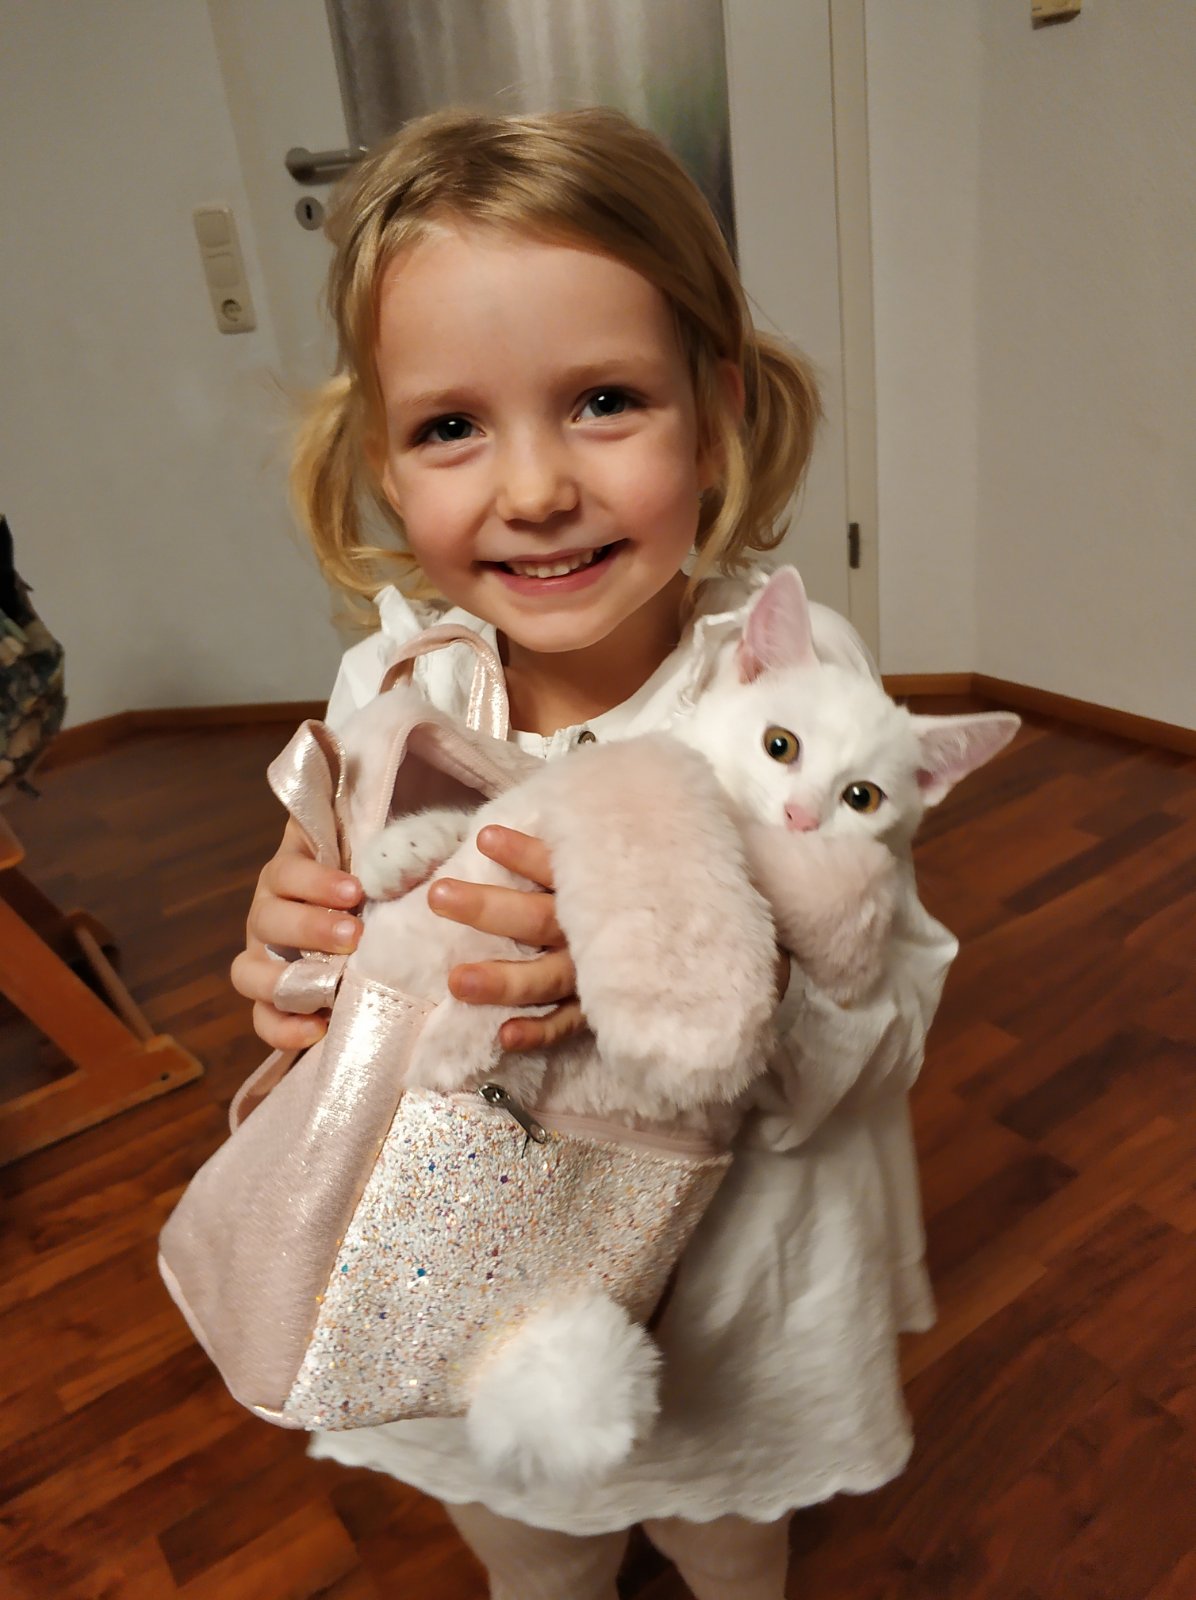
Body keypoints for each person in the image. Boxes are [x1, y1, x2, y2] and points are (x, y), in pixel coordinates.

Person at [231, 107, 956, 1600]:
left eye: (605, 400)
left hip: (733, 1323)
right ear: (382, 462)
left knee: (731, 1552)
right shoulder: (393, 692)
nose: (534, 489)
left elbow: (885, 1023)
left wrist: (700, 976)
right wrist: (295, 949)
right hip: (465, 1294)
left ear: (717, 410)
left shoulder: (786, 695)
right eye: (451, 426)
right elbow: (338, 988)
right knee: (534, 1556)